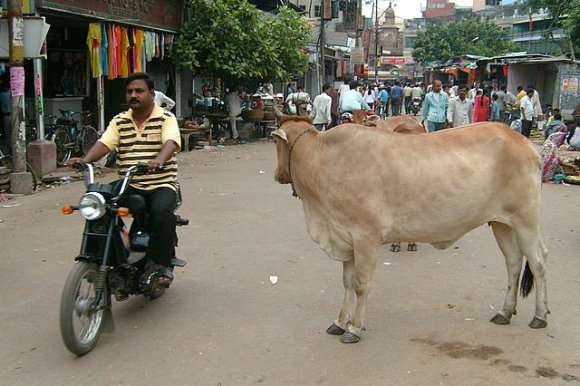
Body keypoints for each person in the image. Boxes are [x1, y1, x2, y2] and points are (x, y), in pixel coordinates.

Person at [66, 72, 181, 287]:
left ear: (151, 94)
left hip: (161, 183)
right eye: (130, 91)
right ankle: (108, 252)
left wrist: (159, 159)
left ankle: (162, 263)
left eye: (139, 91)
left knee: (161, 212)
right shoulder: (120, 121)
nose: (133, 95)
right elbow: (105, 144)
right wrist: (85, 159)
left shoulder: (166, 118)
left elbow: (172, 143)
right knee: (97, 199)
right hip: (130, 184)